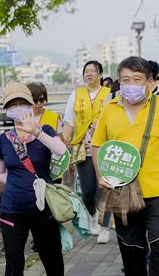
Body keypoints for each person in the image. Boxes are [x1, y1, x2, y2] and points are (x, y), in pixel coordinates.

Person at [92, 56, 159, 276]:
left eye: (137, 79)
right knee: (131, 251)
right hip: (122, 191)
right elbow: (97, 145)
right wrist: (100, 175)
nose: (130, 85)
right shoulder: (109, 109)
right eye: (125, 80)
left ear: (149, 81)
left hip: (158, 191)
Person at [0, 82, 67, 276]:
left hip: (43, 208)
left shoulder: (46, 130)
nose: (17, 107)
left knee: (52, 260)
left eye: (22, 102)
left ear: (31, 104)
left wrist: (36, 132)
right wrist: (20, 182)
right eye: (12, 104)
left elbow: (61, 151)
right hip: (12, 210)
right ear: (7, 109)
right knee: (14, 263)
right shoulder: (3, 139)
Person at [62, 60, 112, 244]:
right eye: (86, 71)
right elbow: (69, 122)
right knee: (88, 190)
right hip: (83, 148)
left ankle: (105, 227)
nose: (89, 74)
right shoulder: (76, 95)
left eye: (93, 71)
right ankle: (93, 215)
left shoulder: (109, 94)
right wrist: (62, 145)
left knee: (105, 189)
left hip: (105, 148)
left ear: (100, 74)